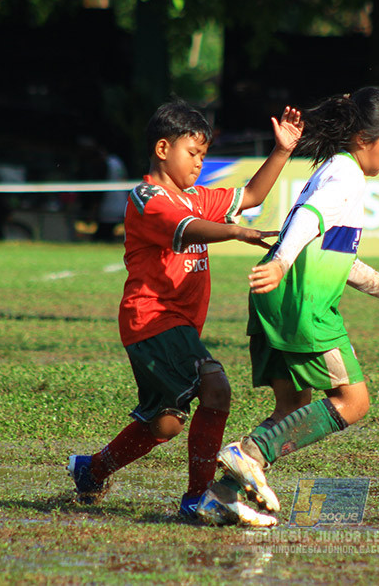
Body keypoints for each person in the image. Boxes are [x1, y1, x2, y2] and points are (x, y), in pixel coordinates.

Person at [196, 87, 379, 527]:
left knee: (292, 409)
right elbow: (308, 217)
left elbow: (341, 260)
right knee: (354, 401)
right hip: (303, 306)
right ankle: (248, 453)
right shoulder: (346, 177)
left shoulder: (335, 170)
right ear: (364, 139)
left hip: (277, 301)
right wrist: (280, 262)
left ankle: (219, 497)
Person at [67, 100, 303, 523]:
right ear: (162, 149)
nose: (199, 163)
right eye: (192, 153)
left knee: (166, 423)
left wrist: (282, 150)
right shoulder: (146, 197)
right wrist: (234, 231)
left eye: (203, 155)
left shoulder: (195, 197)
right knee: (216, 388)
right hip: (152, 318)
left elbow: (251, 195)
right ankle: (199, 498)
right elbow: (186, 227)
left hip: (173, 327)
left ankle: (92, 470)